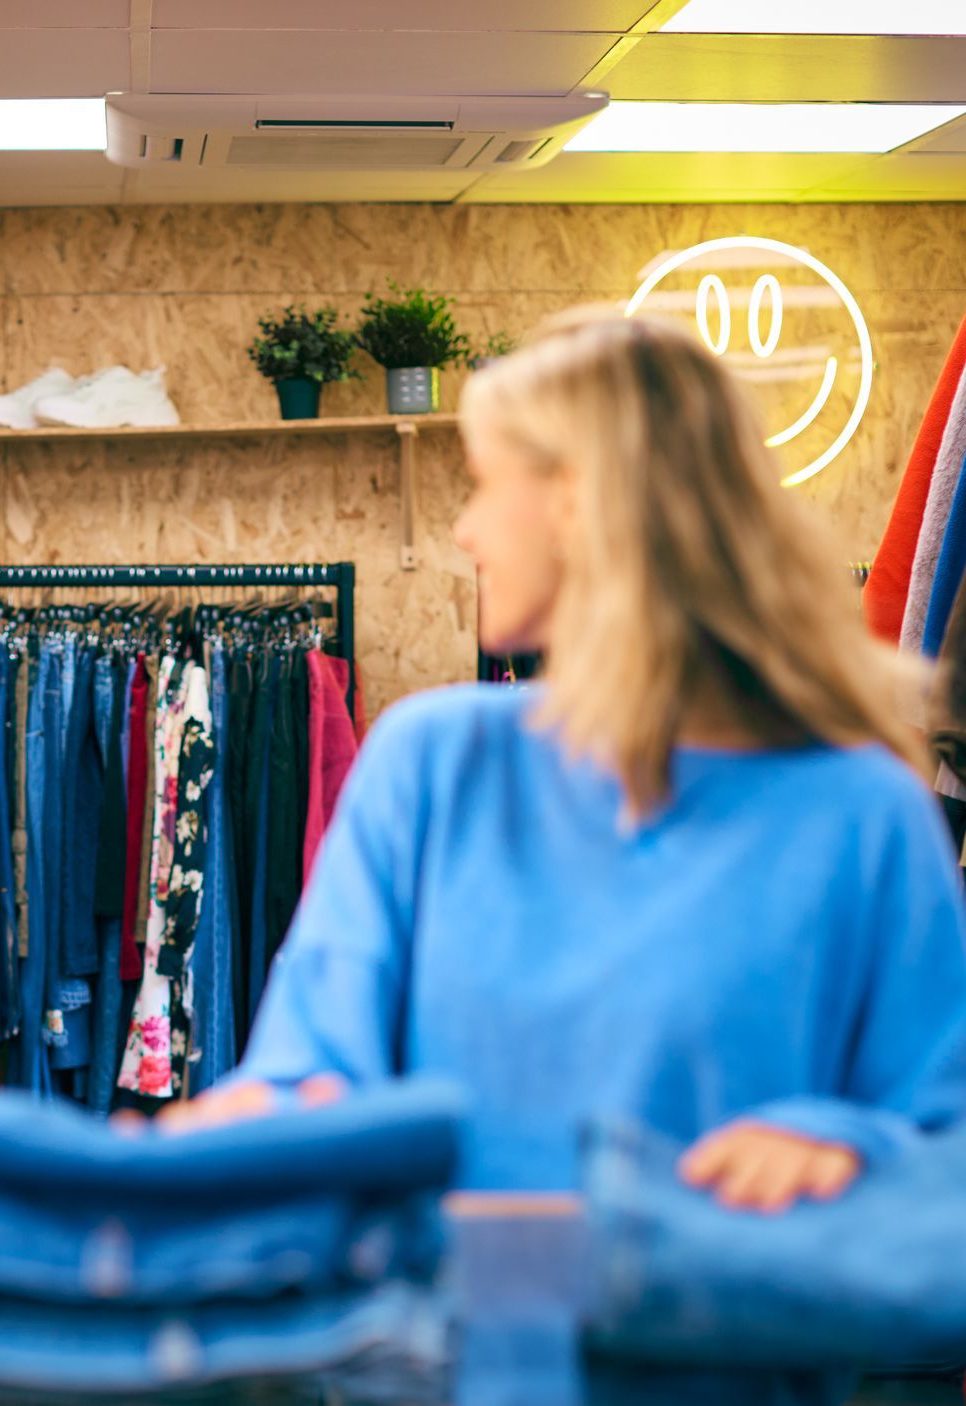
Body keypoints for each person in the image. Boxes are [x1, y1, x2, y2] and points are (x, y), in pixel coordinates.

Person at [169, 310, 966, 1210]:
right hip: (434, 1343)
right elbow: (312, 1061)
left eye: (482, 484)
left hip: (723, 1339)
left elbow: (941, 1139)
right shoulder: (433, 765)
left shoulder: (860, 813)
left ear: (580, 498)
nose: (465, 531)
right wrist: (254, 1126)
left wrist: (840, 1145)